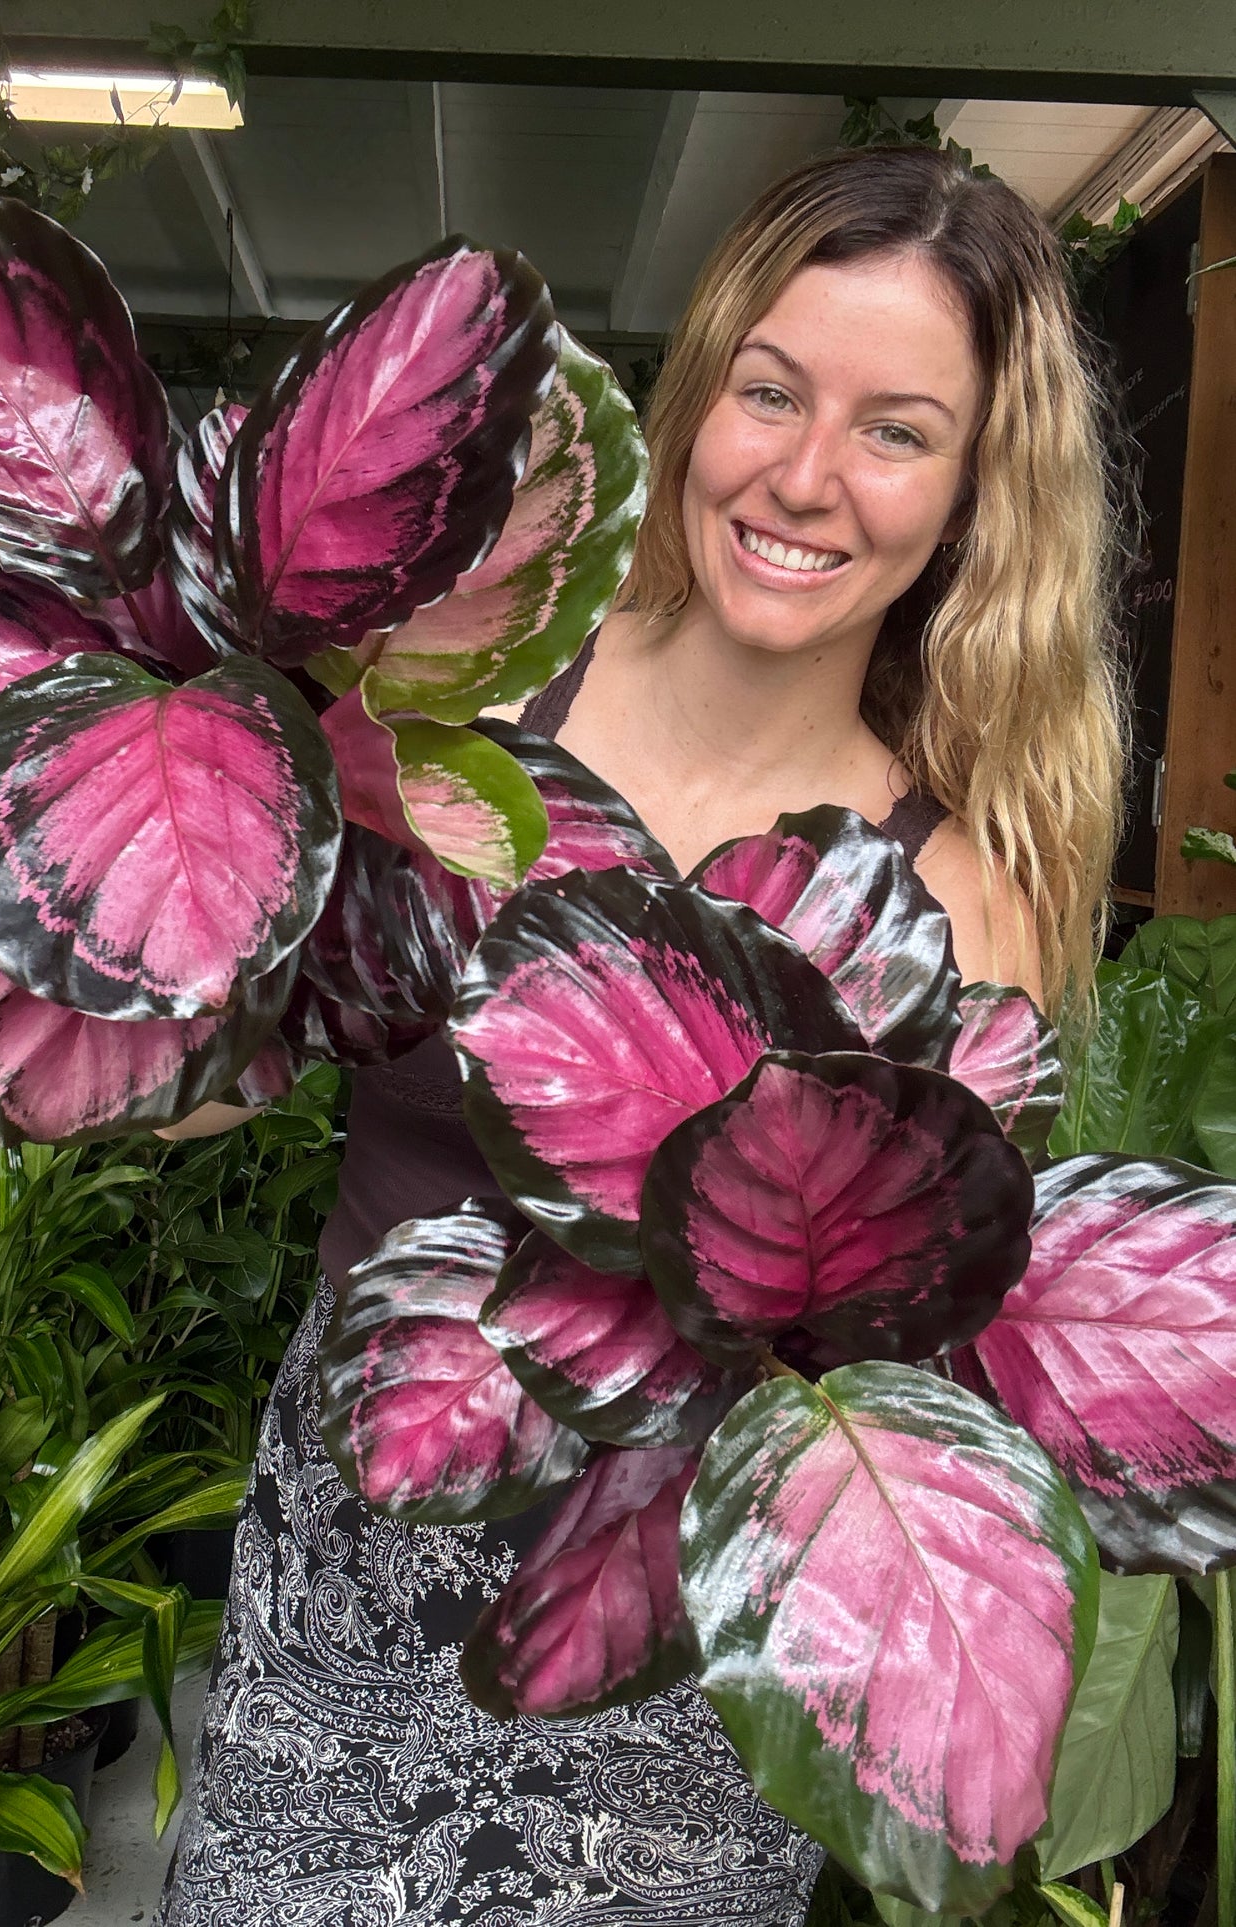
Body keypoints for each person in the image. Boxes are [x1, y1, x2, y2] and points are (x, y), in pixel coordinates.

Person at [159, 143, 1125, 1926]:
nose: (807, 477)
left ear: (977, 491)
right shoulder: (459, 685)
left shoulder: (953, 895)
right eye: (771, 391)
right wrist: (141, 965)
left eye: (896, 429)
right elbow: (212, 1078)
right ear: (700, 399)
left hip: (665, 1640)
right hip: (370, 1542)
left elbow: (920, 1360)